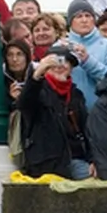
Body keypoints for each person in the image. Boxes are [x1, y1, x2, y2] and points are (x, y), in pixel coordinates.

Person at [18, 44, 91, 179]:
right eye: (53, 63)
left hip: (75, 159)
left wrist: (93, 161)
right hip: (45, 163)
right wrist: (36, 75)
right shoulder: (38, 90)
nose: (59, 67)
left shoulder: (76, 95)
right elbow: (24, 103)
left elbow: (87, 130)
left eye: (65, 62)